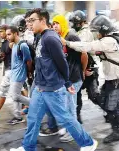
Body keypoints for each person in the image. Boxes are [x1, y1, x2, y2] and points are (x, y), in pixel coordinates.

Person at [10, 8, 98, 151]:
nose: (29, 25)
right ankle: (28, 147)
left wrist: (68, 82)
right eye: (27, 22)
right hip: (40, 86)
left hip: (52, 88)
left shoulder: (50, 38)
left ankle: (88, 143)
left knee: (65, 118)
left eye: (32, 21)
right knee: (33, 118)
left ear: (43, 20)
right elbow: (41, 61)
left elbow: (62, 62)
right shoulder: (39, 36)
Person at [61, 15, 119, 144]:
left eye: (97, 31)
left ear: (103, 30)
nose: (96, 34)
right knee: (103, 103)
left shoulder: (109, 41)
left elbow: (88, 47)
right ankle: (116, 132)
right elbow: (94, 51)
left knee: (112, 108)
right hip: (112, 81)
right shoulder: (109, 40)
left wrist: (68, 43)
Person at [38, 14, 88, 143]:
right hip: (66, 79)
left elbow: (84, 53)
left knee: (70, 107)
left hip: (74, 78)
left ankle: (74, 133)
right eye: (53, 24)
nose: (55, 26)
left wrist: (82, 71)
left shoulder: (70, 36)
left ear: (63, 24)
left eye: (57, 23)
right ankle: (68, 129)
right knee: (65, 106)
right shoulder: (57, 38)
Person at [69, 10, 100, 124]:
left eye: (75, 22)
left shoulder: (86, 33)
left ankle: (109, 110)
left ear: (81, 22)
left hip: (89, 67)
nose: (73, 25)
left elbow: (83, 50)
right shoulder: (76, 32)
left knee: (93, 96)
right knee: (76, 94)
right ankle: (77, 119)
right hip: (80, 67)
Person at [6, 26, 32, 125]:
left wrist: (29, 72)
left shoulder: (22, 45)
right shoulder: (14, 45)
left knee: (15, 96)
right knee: (14, 95)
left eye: (9, 34)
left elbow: (29, 60)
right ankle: (17, 117)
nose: (7, 37)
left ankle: (34, 104)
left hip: (19, 75)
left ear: (16, 33)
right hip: (14, 74)